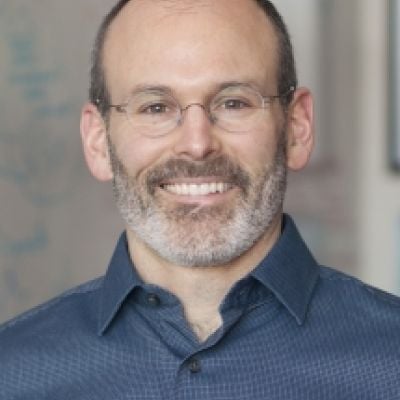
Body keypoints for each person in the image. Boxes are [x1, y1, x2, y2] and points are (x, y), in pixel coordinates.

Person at [1, 0, 400, 398]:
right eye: (155, 107)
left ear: (296, 128)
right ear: (98, 141)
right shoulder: (13, 373)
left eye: (233, 103)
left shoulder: (390, 360)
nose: (197, 144)